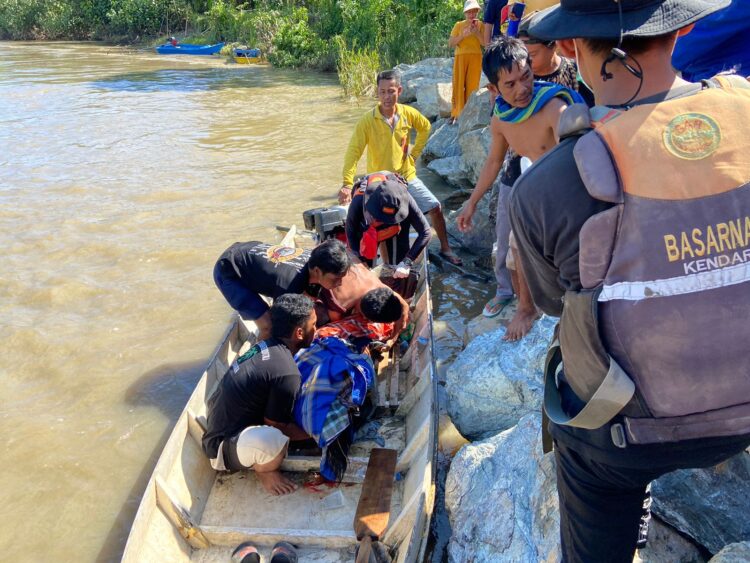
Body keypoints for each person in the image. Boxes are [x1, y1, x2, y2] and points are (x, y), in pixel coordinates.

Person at [509, 1, 750, 561]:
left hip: (622, 438)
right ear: (685, 25)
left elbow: (549, 303)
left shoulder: (547, 185)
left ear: (568, 47)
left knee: (583, 445)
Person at [455, 36, 582, 340]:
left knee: (566, 257)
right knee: (515, 247)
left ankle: (570, 314)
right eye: (509, 84)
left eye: (526, 77)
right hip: (533, 189)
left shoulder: (554, 107)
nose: (522, 88)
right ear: (494, 90)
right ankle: (526, 307)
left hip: (565, 193)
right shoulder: (501, 118)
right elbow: (494, 161)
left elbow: (579, 155)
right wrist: (472, 202)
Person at [339, 69, 462, 266]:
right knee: (382, 222)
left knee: (435, 206)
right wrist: (347, 183)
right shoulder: (367, 121)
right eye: (382, 92)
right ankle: (387, 265)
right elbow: (353, 152)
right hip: (380, 182)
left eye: (391, 91)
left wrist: (413, 155)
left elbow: (425, 128)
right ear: (377, 93)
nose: (387, 96)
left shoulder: (407, 113)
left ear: (400, 90)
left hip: (406, 176)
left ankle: (446, 248)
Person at [202, 294, 316, 496]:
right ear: (299, 332)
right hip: (225, 448)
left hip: (220, 424)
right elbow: (277, 426)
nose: (315, 330)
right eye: (313, 325)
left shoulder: (265, 345)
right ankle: (266, 470)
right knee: (274, 439)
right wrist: (314, 435)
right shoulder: (286, 372)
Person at [213, 239, 351, 339]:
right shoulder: (290, 285)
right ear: (317, 271)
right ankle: (256, 360)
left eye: (342, 278)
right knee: (268, 326)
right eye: (335, 279)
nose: (339, 283)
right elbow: (280, 327)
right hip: (229, 270)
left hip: (247, 249)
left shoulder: (316, 260)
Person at [345, 172, 431, 273]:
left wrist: (407, 262)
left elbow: (425, 232)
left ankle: (392, 266)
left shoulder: (405, 199)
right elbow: (350, 232)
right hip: (368, 228)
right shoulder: (359, 200)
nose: (385, 220)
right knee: (364, 268)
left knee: (398, 265)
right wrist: (360, 260)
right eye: (381, 218)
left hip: (396, 227)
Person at [449, 0, 487, 124]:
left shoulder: (480, 25)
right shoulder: (458, 25)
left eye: (474, 12)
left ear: (477, 12)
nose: (472, 15)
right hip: (461, 56)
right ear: (465, 13)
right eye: (469, 12)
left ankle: (469, 113)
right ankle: (456, 113)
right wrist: (462, 36)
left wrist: (476, 33)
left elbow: (484, 43)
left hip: (476, 56)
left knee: (473, 85)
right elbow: (451, 43)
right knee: (458, 84)